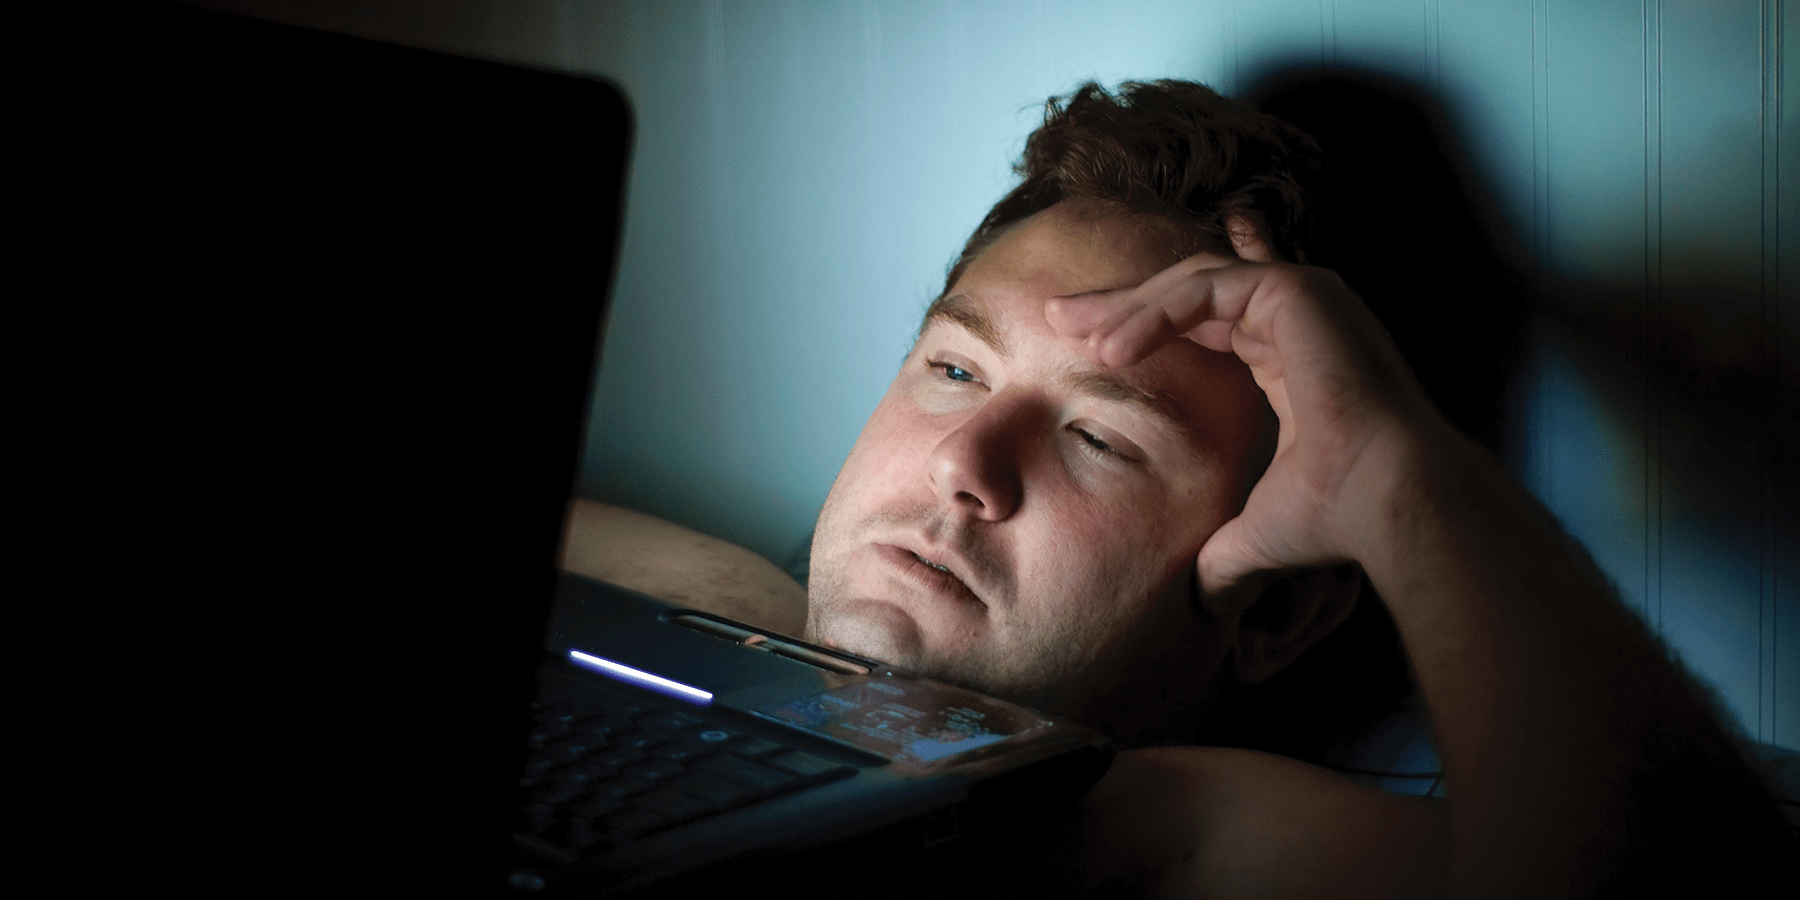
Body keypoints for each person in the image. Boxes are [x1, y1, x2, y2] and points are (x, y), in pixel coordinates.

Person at [564, 80, 1793, 897]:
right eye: (952, 367)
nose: (963, 465)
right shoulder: (732, 613)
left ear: (1270, 612)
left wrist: (1394, 473)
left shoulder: (1161, 829)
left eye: (1102, 438)